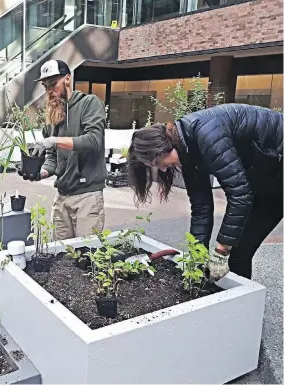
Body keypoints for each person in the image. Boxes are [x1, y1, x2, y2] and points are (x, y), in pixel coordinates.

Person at [127, 104, 283, 282]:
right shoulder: (187, 151)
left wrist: (221, 250)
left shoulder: (207, 133)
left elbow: (240, 194)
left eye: (158, 162)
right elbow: (201, 207)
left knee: (233, 249)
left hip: (276, 172)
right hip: (268, 180)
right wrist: (196, 256)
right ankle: (239, 305)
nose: (162, 169)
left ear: (164, 146)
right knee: (240, 250)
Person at [22, 59, 107, 240]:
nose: (49, 91)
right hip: (62, 198)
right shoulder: (54, 114)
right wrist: (42, 172)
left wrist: (54, 140)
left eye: (53, 84)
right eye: (45, 86)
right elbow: (53, 158)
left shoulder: (89, 103)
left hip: (87, 197)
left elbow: (94, 141)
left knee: (86, 256)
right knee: (61, 257)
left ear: (67, 79)